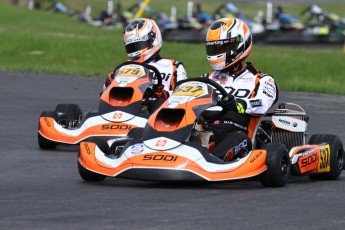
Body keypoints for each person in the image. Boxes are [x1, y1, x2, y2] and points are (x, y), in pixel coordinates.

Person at [202, 18, 278, 162]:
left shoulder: (261, 80)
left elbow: (262, 103)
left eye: (221, 48)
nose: (217, 52)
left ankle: (210, 162)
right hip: (204, 129)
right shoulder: (207, 78)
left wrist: (239, 104)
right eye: (214, 48)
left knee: (238, 138)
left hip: (235, 133)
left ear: (239, 45)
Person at [103, 18, 187, 108]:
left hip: (157, 114)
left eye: (139, 45)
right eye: (132, 47)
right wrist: (108, 83)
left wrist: (161, 94)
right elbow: (106, 96)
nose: (135, 50)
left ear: (152, 40)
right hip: (127, 109)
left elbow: (182, 96)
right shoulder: (125, 67)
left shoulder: (173, 66)